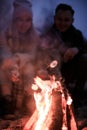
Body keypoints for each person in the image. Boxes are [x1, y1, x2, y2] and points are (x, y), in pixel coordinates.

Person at [40, 3, 87, 108]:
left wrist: (76, 49)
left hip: (70, 71)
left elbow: (84, 47)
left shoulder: (77, 34)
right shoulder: (48, 34)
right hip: (52, 73)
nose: (62, 23)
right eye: (59, 19)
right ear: (55, 18)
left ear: (72, 21)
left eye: (66, 20)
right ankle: (54, 97)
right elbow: (40, 52)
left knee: (85, 59)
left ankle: (78, 97)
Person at [0, 0, 40, 118]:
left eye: (28, 20)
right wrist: (13, 65)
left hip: (26, 63)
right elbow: (4, 52)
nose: (24, 24)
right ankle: (6, 101)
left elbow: (32, 54)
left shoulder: (34, 35)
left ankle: (29, 102)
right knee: (2, 69)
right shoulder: (5, 33)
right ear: (14, 19)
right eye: (20, 19)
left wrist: (18, 59)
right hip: (9, 63)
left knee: (29, 69)